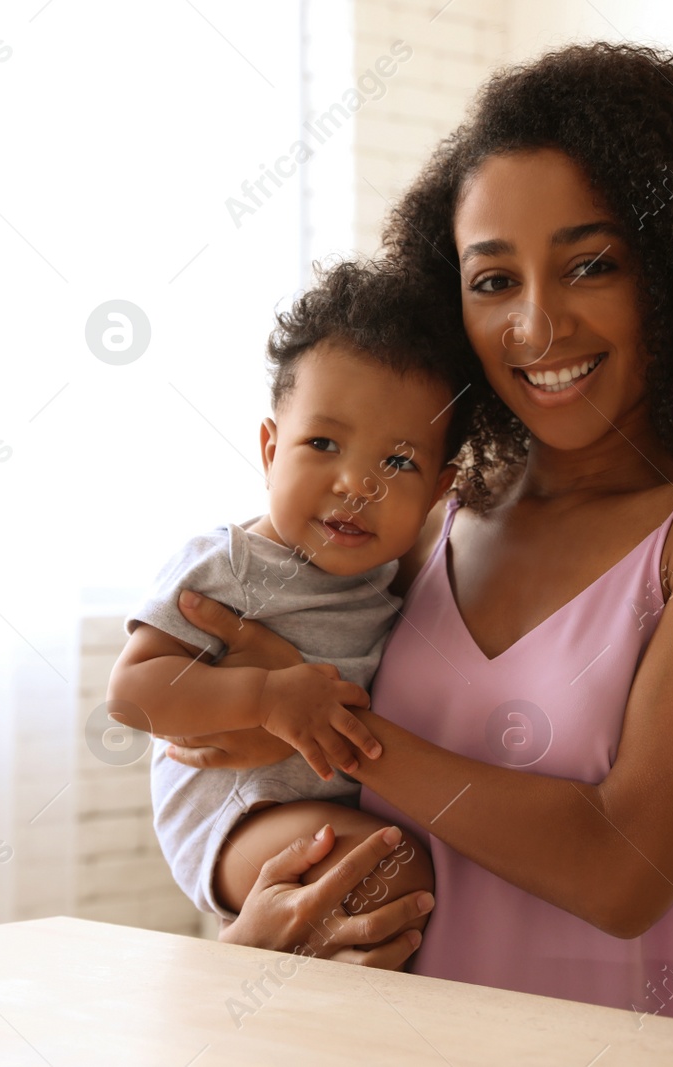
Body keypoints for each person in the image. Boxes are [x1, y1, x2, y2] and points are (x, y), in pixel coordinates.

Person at [157, 41, 673, 1025]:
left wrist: (330, 722)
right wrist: (253, 927)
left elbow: (621, 868)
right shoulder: (429, 511)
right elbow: (242, 774)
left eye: (590, 265)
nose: (538, 326)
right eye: (493, 280)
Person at [107, 259, 473, 956]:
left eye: (398, 463)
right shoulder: (229, 564)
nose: (356, 485)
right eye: (323, 444)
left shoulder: (393, 578)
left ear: (436, 490)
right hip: (238, 812)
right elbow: (131, 695)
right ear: (271, 448)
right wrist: (267, 695)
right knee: (394, 870)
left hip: (326, 803)